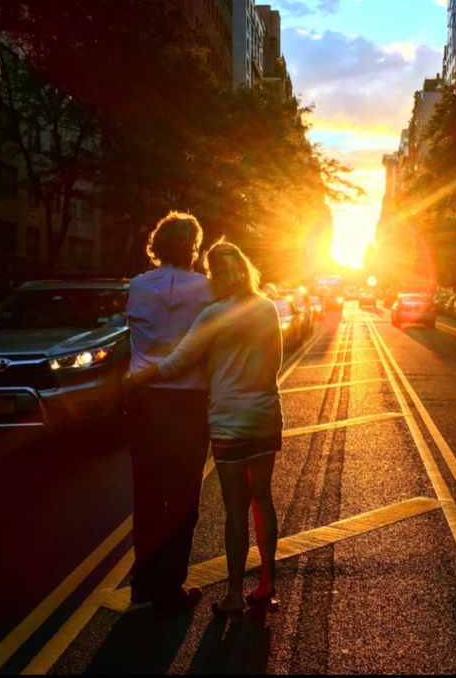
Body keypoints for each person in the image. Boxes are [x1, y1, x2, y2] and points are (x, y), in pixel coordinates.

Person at [123, 240, 283, 623]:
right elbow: (275, 362)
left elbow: (178, 362)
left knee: (235, 509)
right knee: (262, 498)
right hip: (265, 413)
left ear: (215, 275)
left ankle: (233, 595)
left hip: (229, 418)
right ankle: (266, 584)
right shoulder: (267, 308)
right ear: (245, 268)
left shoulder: (214, 314)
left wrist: (135, 378)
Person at [125, 212, 212, 615]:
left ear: (157, 245)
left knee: (147, 495)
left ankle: (142, 584)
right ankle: (169, 587)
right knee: (182, 497)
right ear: (193, 247)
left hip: (144, 399)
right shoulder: (207, 290)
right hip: (188, 401)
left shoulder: (138, 285)